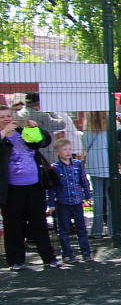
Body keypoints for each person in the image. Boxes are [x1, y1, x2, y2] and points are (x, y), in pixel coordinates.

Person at [1, 103, 58, 270]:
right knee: (13, 224)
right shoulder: (3, 136)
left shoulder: (22, 132)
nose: (6, 120)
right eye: (2, 117)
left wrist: (36, 127)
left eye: (8, 116)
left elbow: (44, 141)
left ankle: (49, 258)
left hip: (34, 184)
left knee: (39, 222)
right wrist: (5, 132)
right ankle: (16, 261)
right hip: (11, 188)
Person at [47, 138, 93, 263]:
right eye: (64, 150)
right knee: (64, 230)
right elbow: (52, 188)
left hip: (77, 201)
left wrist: (88, 195)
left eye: (69, 149)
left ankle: (86, 252)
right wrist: (51, 204)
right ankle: (67, 254)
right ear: (57, 152)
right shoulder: (54, 168)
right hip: (63, 203)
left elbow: (84, 181)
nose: (68, 152)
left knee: (81, 228)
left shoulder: (77, 164)